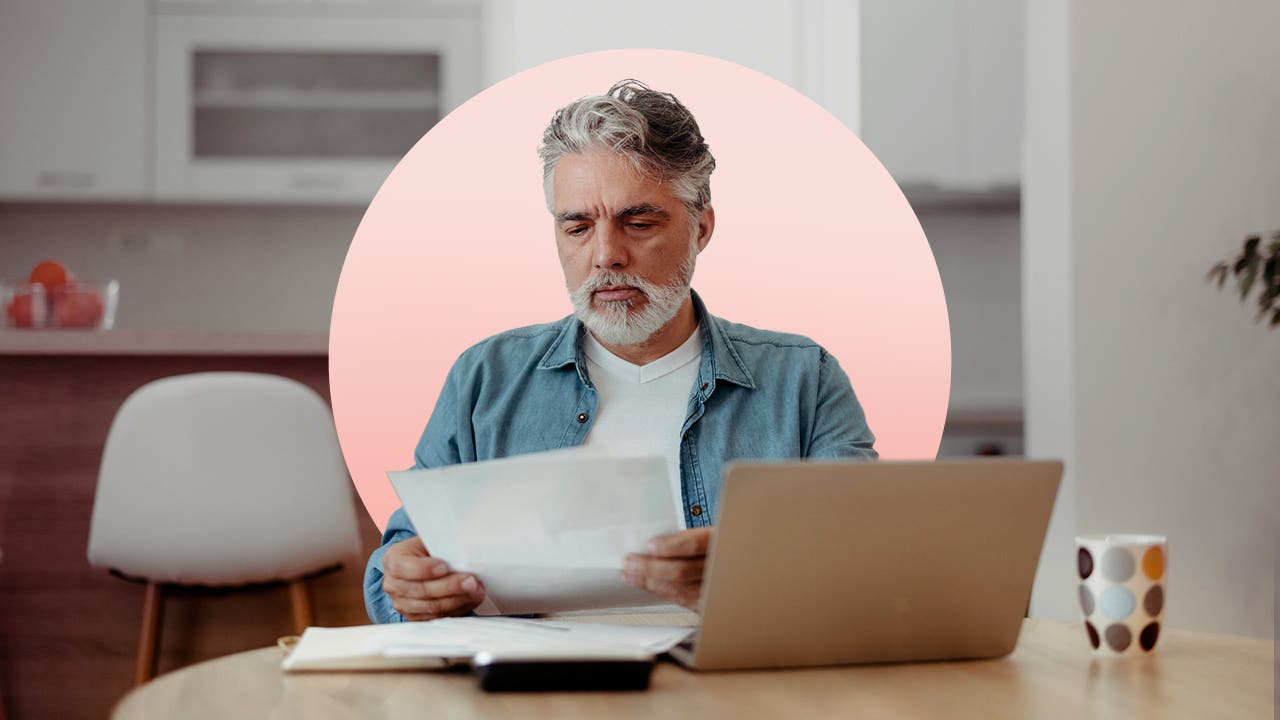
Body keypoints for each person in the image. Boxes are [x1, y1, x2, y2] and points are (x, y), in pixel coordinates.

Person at [365, 79, 876, 623]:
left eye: (638, 222)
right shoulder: (484, 379)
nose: (607, 254)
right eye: (578, 227)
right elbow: (392, 571)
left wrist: (746, 581)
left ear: (701, 227)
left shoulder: (804, 379)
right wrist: (406, 585)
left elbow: (870, 570)